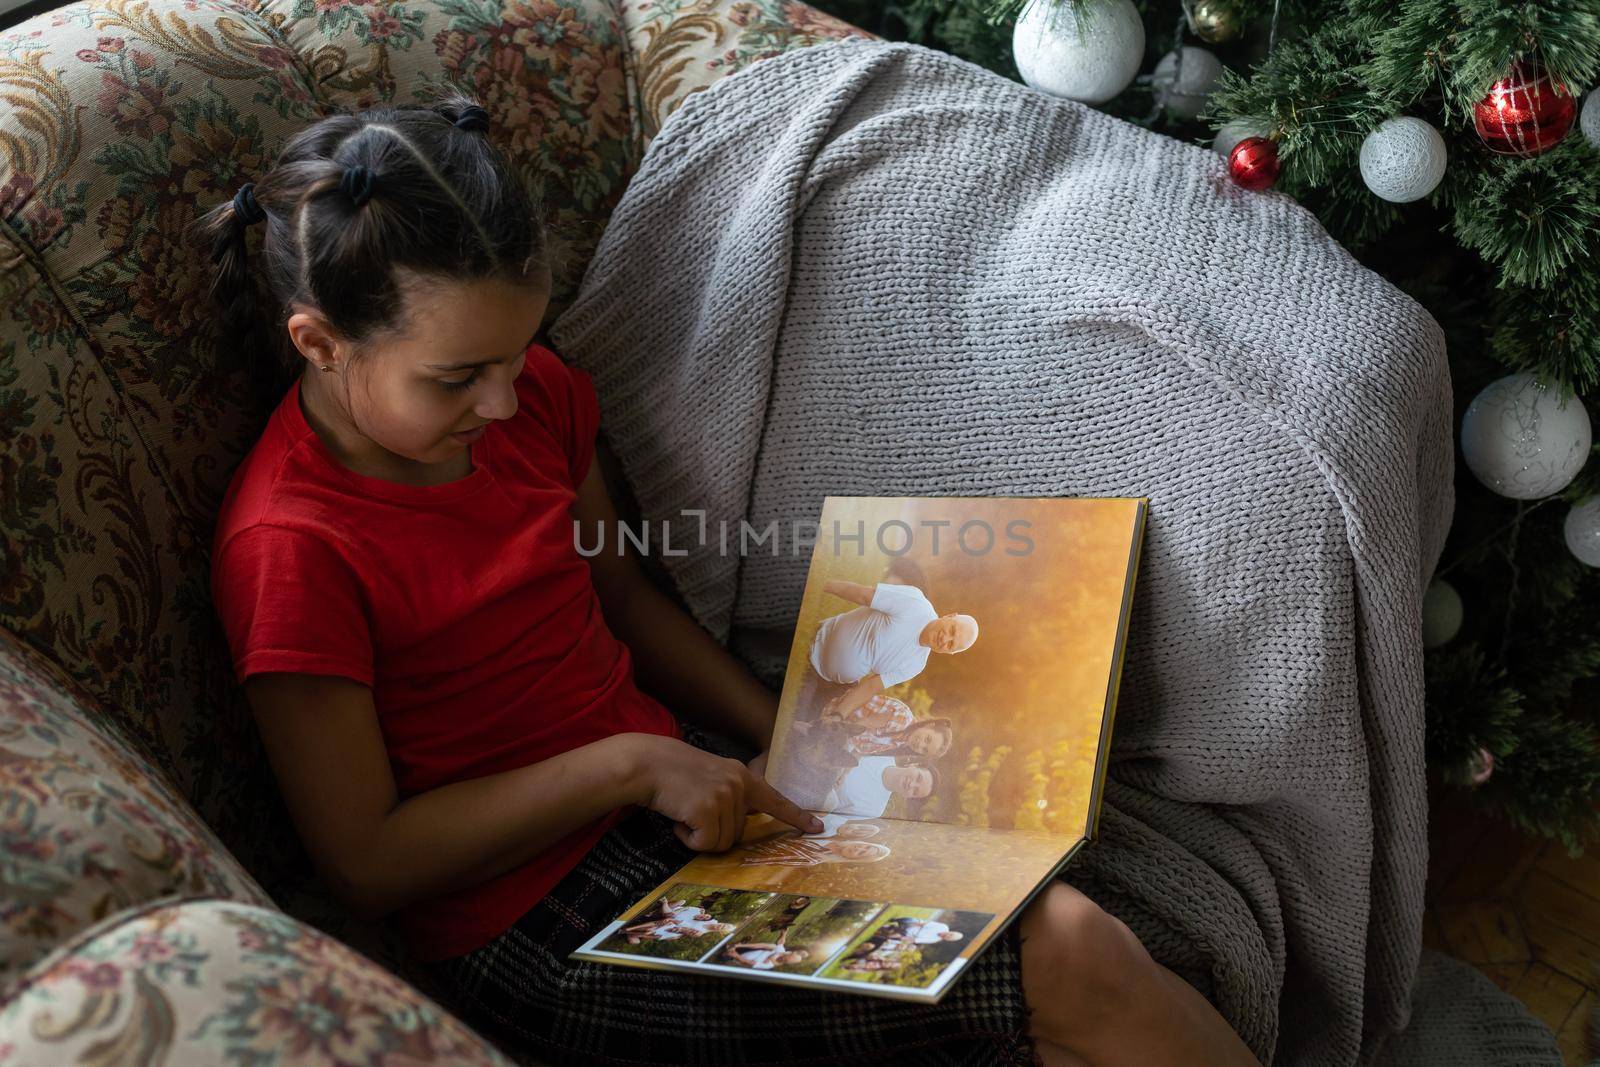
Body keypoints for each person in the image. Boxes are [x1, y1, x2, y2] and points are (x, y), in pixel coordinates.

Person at [195, 94, 1263, 1067]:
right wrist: (627, 764)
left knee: (1055, 989)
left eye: (519, 355)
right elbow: (366, 862)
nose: (509, 402)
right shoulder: (291, 546)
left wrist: (798, 740)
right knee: (1069, 949)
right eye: (458, 376)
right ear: (320, 342)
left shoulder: (534, 407)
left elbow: (621, 603)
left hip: (681, 800)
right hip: (532, 925)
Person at [802, 580, 979, 723]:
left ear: (950, 653)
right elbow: (863, 595)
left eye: (951, 645)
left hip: (834, 685)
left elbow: (872, 686)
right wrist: (818, 584)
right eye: (952, 631)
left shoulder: (916, 664)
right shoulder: (915, 604)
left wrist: (838, 715)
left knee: (807, 726)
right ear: (950, 616)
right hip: (815, 643)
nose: (945, 639)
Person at [823, 755, 937, 817]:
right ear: (914, 765)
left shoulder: (874, 810)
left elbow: (828, 816)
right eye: (918, 777)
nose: (911, 784)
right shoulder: (882, 752)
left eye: (915, 791)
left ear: (908, 797)